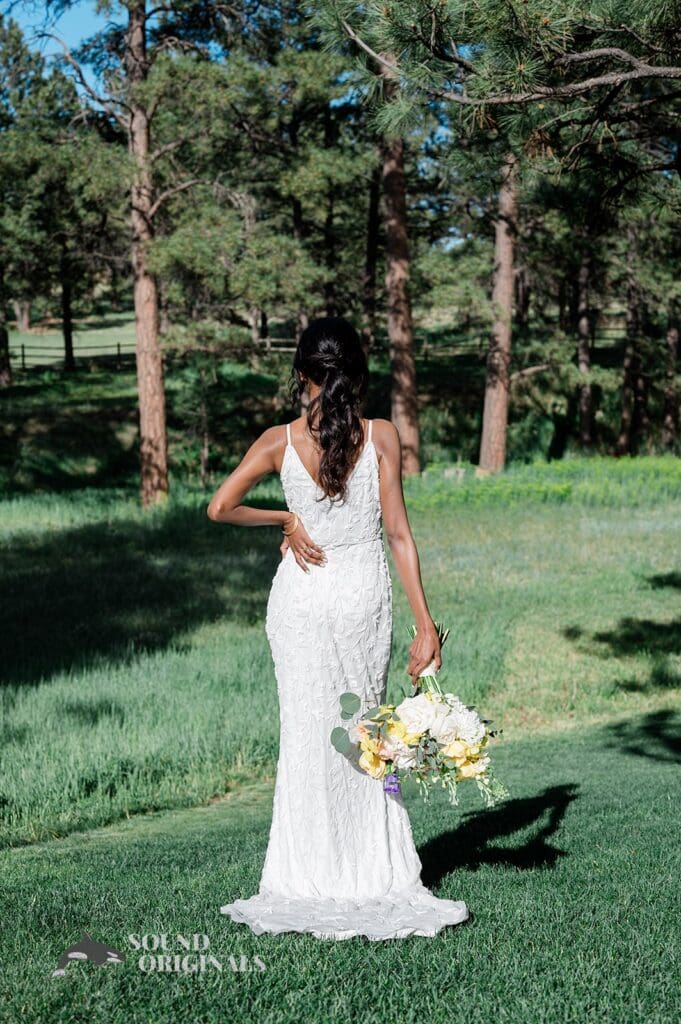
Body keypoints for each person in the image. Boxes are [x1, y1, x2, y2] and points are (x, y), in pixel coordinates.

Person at [207, 316, 468, 939]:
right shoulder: (382, 436)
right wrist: (425, 625)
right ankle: (370, 870)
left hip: (300, 601)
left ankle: (308, 872)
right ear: (355, 373)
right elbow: (399, 535)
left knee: (307, 737)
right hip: (360, 598)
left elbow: (219, 507)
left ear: (302, 375)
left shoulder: (278, 440)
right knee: (364, 731)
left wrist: (285, 520)